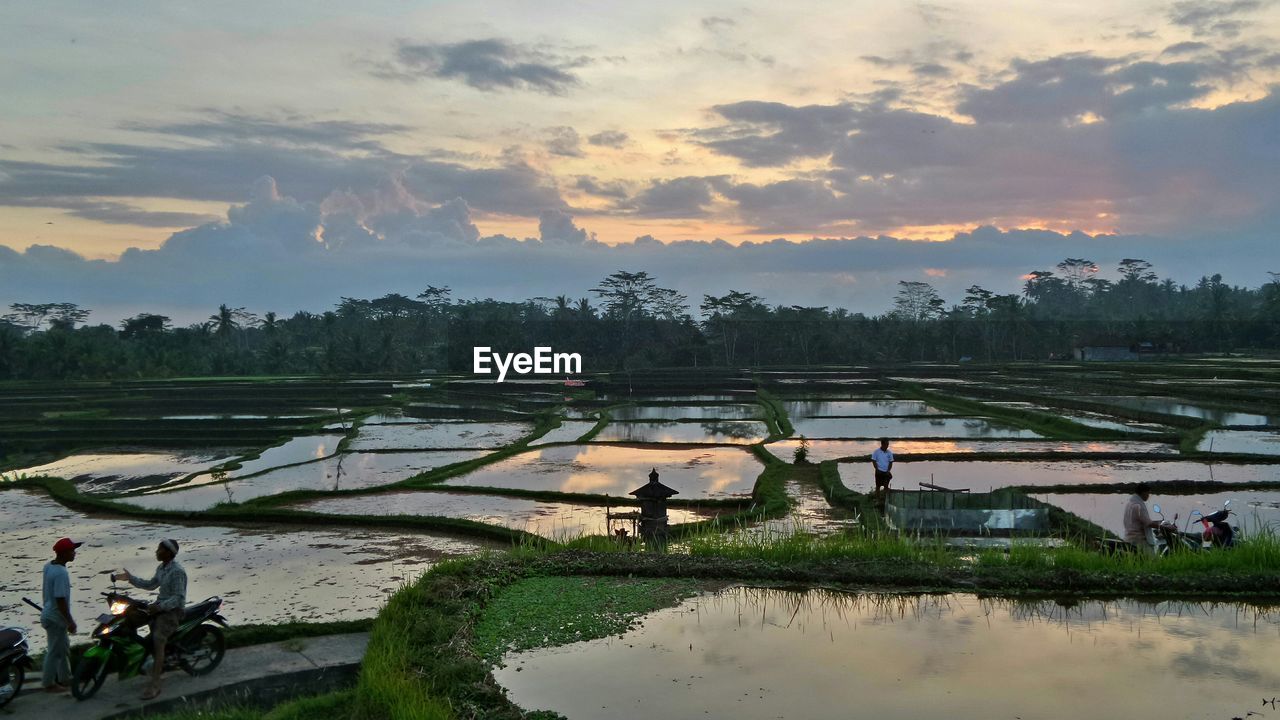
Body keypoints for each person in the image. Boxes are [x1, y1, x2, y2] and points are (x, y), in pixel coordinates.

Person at [112, 539, 187, 700]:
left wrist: (160, 607)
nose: (156, 552)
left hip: (172, 612)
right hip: (158, 606)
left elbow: (179, 598)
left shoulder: (177, 572)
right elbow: (151, 585)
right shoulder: (161, 568)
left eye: (160, 549)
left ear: (168, 552)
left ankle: (156, 684)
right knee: (128, 620)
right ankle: (137, 658)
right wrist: (130, 578)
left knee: (158, 638)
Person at [41, 537, 82, 693]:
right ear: (64, 553)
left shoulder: (48, 566)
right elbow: (60, 600)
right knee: (54, 650)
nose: (74, 553)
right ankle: (49, 683)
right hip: (56, 617)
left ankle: (65, 678)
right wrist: (70, 621)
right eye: (72, 550)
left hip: (48, 613)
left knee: (63, 648)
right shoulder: (61, 573)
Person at [1123, 483, 1166, 554]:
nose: (1148, 496)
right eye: (1148, 493)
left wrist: (1159, 522)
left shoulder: (1130, 503)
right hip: (1139, 540)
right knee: (1153, 561)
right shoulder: (1139, 505)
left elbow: (1141, 520)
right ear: (1143, 492)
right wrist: (1164, 527)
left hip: (1128, 537)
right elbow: (1148, 523)